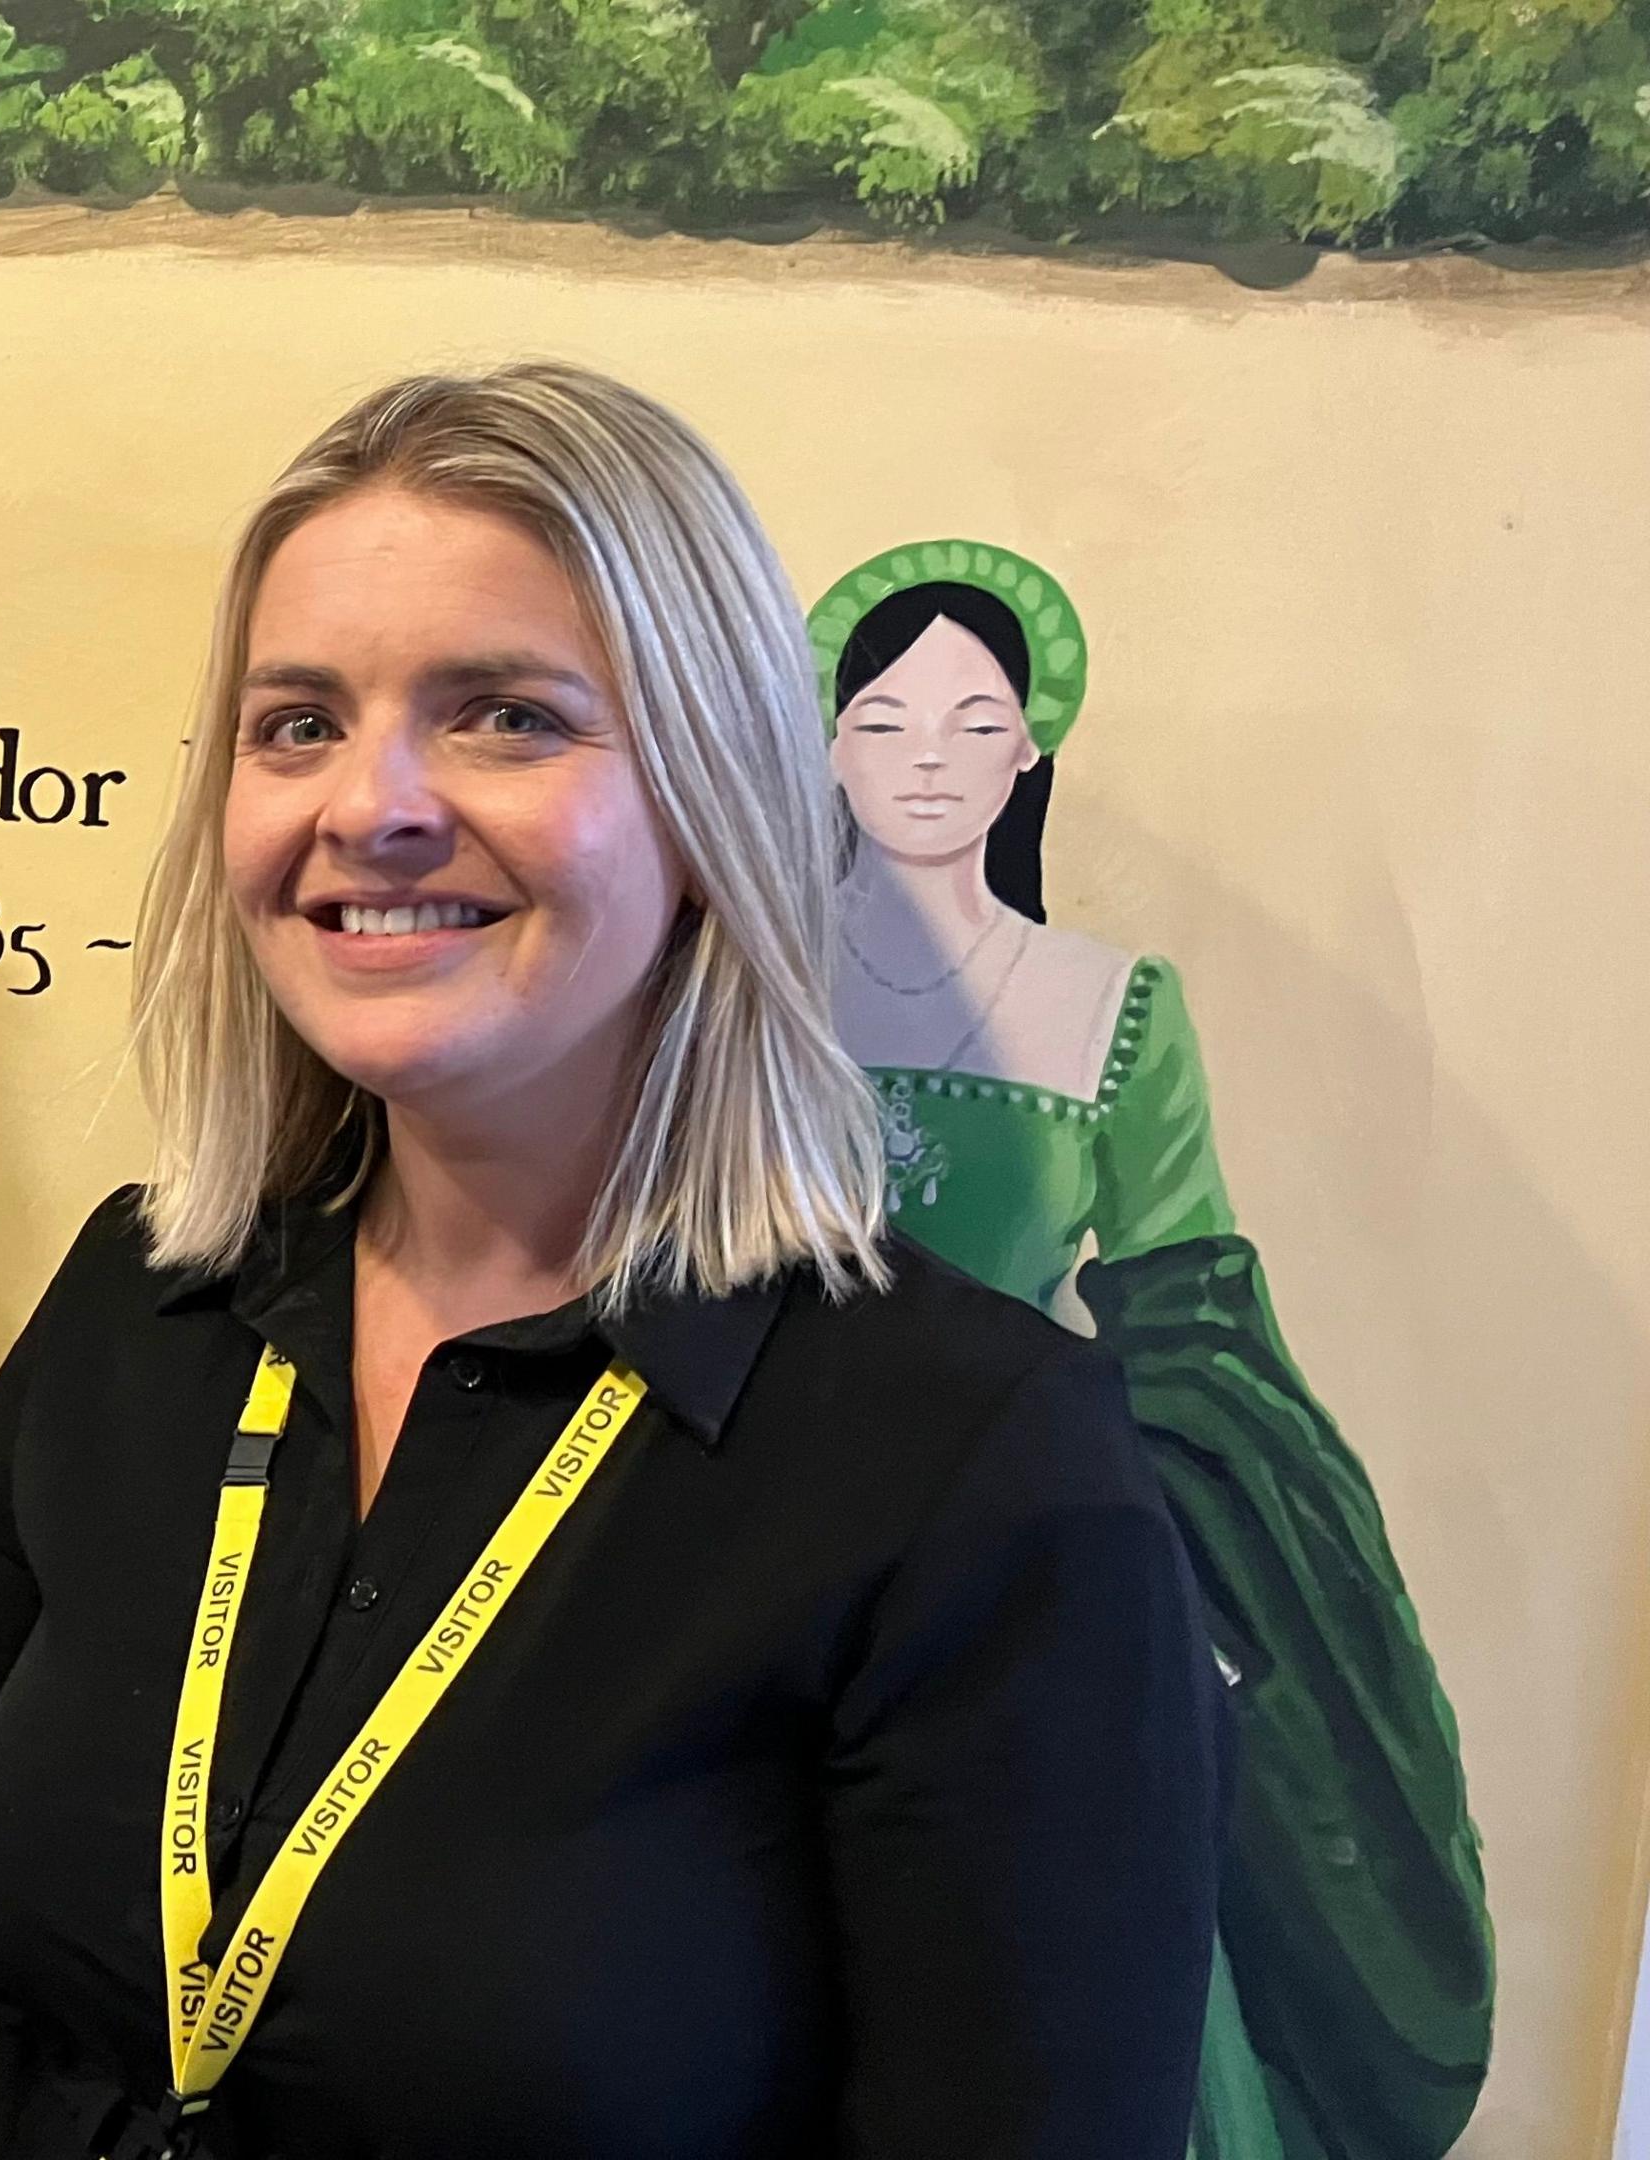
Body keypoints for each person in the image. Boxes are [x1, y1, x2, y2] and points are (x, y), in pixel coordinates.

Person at [0, 364, 1226, 2159]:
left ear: (712, 805)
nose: (373, 806)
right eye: (297, 723)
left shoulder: (974, 1468)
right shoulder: (144, 1300)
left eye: (504, 715)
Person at [811, 542, 1493, 2160]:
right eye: (889, 720)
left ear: (1034, 745)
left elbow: (1185, 1323)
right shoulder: (726, 976)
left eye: (973, 723)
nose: (928, 760)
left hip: (998, 1555)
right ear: (828, 740)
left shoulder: (1113, 1010)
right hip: (728, 1526)